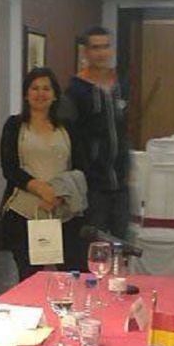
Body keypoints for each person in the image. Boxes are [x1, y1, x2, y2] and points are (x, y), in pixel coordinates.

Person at [0, 67, 88, 280]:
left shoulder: (68, 127)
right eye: (35, 88)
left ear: (55, 94)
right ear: (26, 94)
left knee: (73, 274)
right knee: (30, 277)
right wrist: (42, 190)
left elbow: (81, 167)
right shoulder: (14, 125)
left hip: (64, 210)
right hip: (24, 212)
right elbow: (9, 168)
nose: (40, 93)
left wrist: (56, 193)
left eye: (46, 88)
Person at [61, 26, 131, 240]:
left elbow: (123, 130)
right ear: (86, 52)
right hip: (92, 186)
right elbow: (70, 137)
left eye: (106, 46)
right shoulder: (75, 91)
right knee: (95, 246)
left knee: (121, 246)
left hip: (120, 183)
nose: (102, 53)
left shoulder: (120, 86)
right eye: (96, 47)